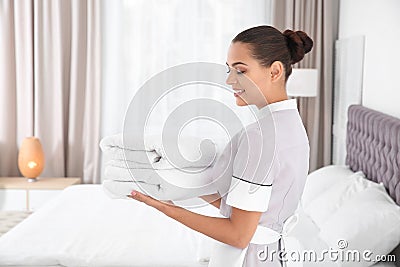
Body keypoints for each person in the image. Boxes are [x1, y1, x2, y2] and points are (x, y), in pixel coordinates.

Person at [128, 25, 313, 266]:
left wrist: (166, 208)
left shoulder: (260, 136)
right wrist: (179, 184)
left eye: (240, 70)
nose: (229, 80)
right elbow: (251, 207)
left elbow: (238, 234)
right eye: (229, 70)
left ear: (275, 71)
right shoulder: (291, 126)